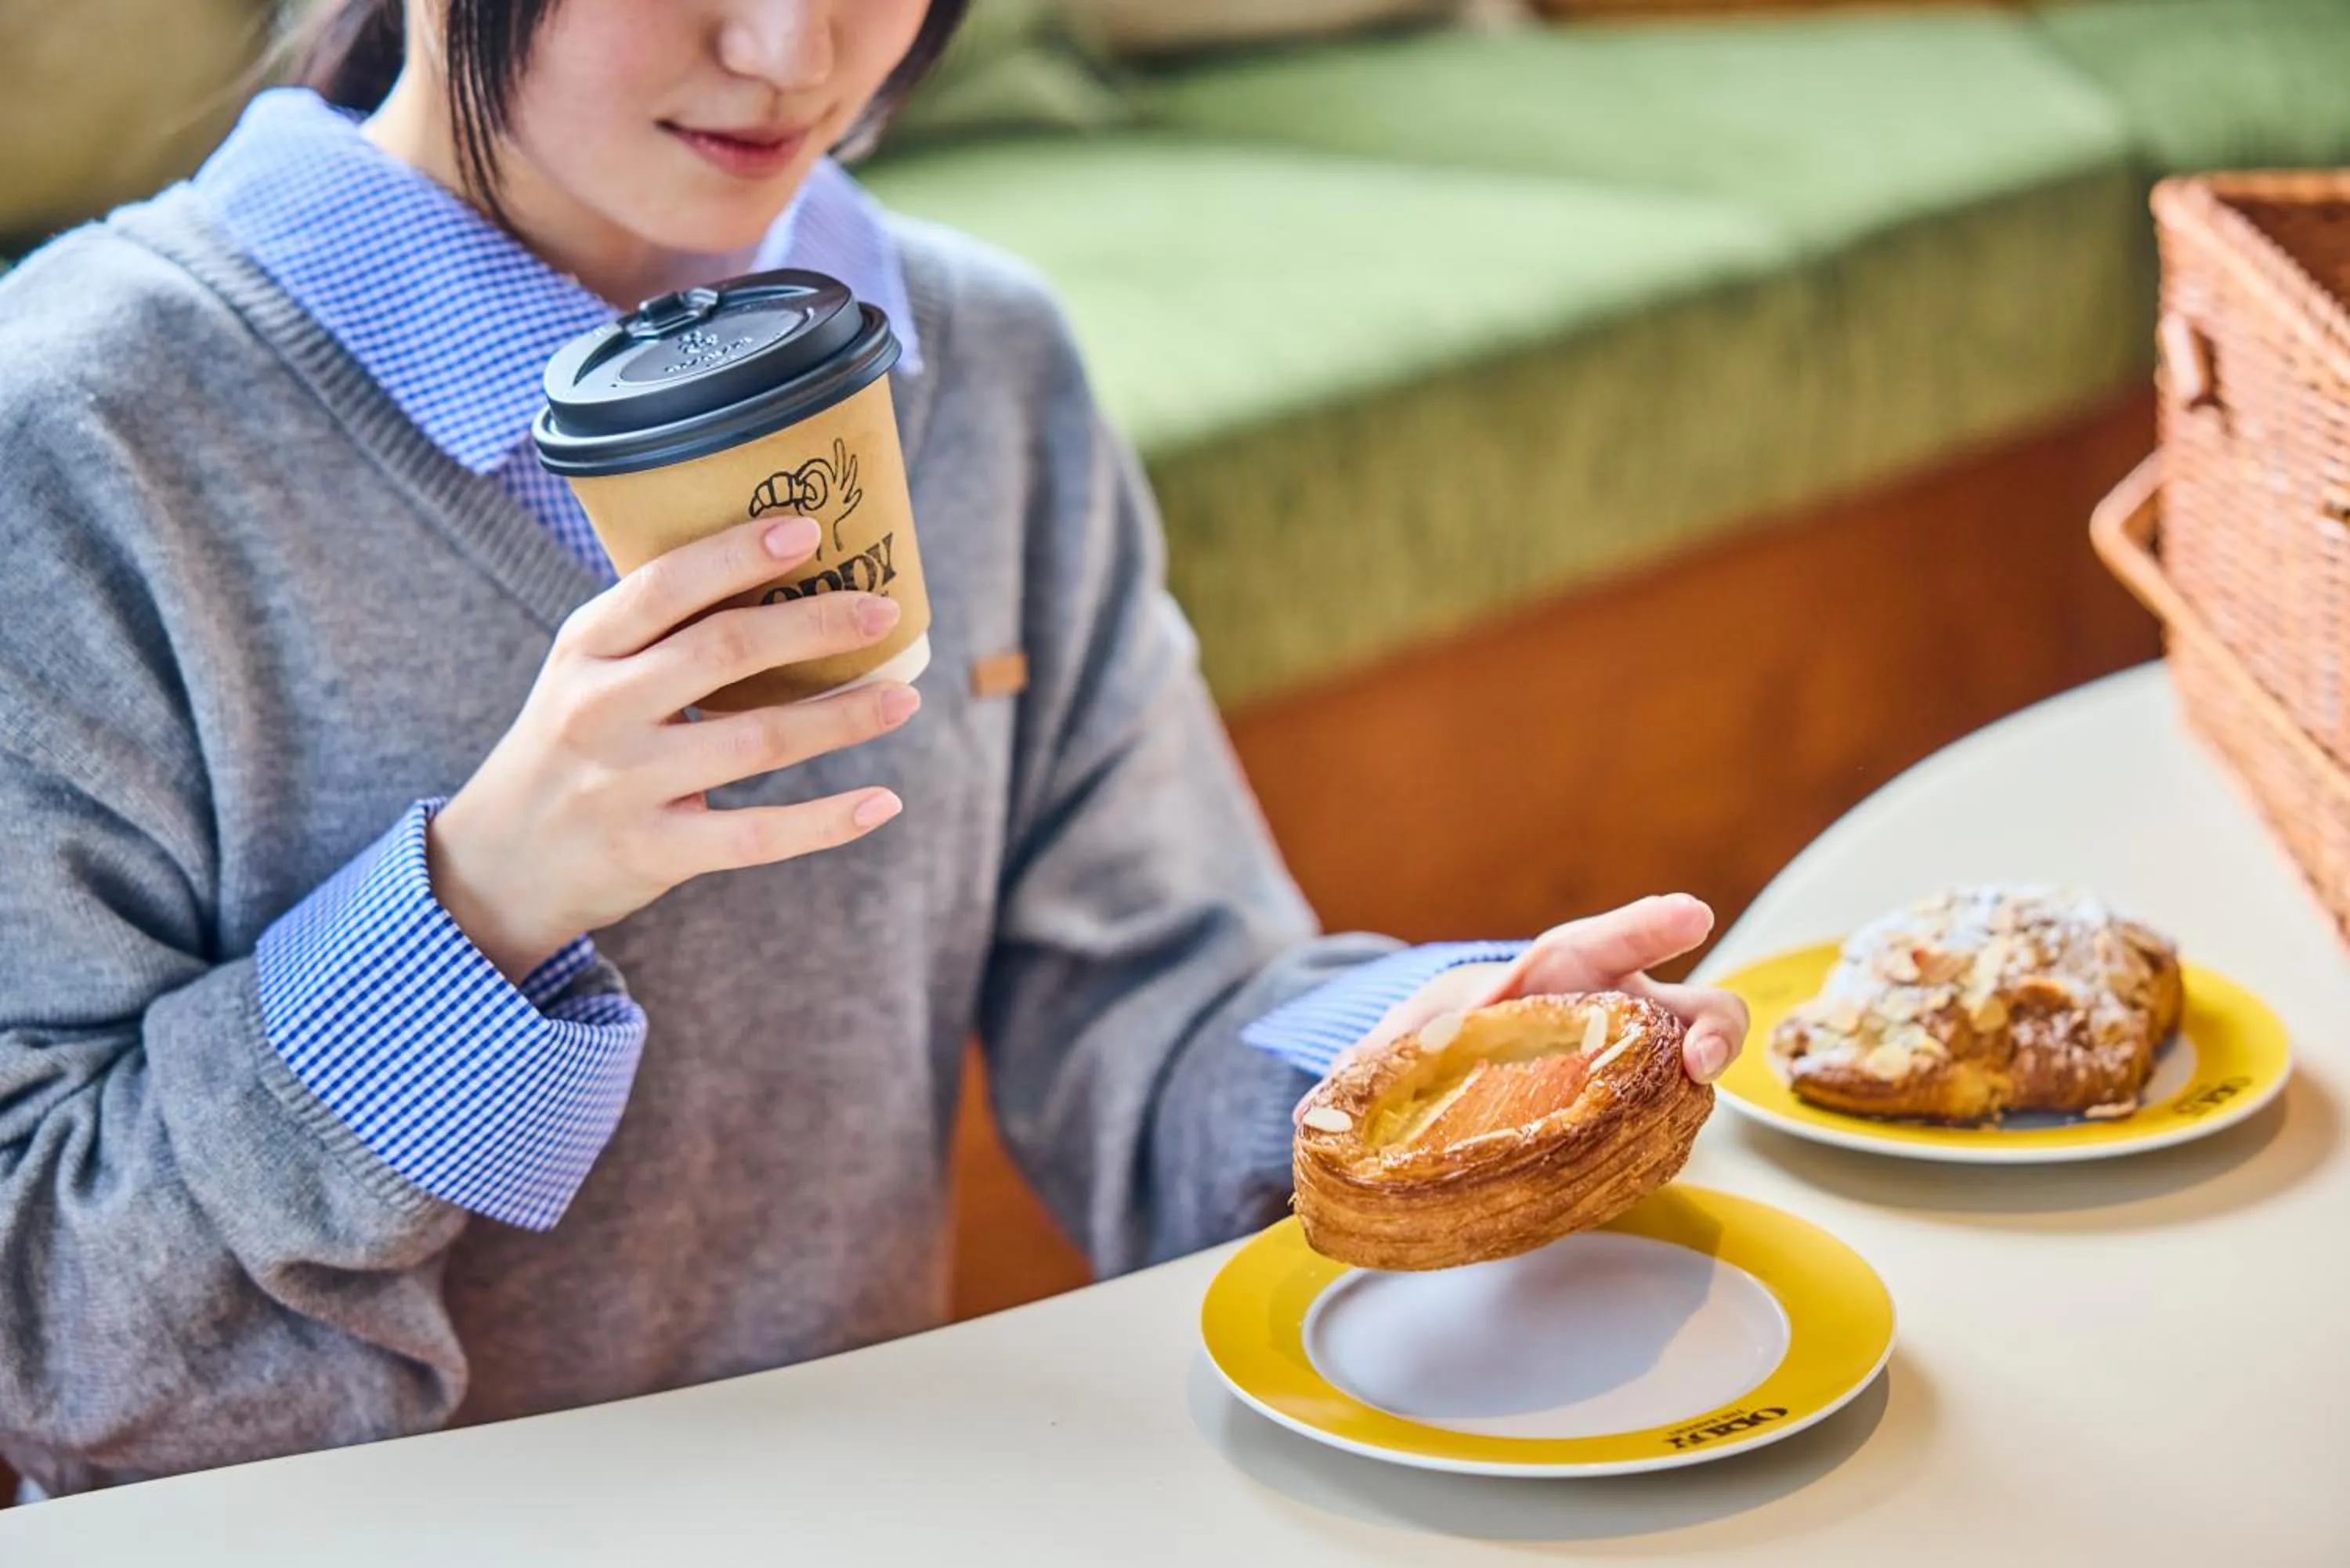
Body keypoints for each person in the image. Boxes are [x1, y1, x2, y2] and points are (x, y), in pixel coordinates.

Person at [0, 0, 1748, 1499]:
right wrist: (475, 911)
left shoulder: (975, 366)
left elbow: (1156, 994)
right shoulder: (76, 436)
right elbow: (55, 1337)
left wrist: (1422, 1072)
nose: (790, 53)